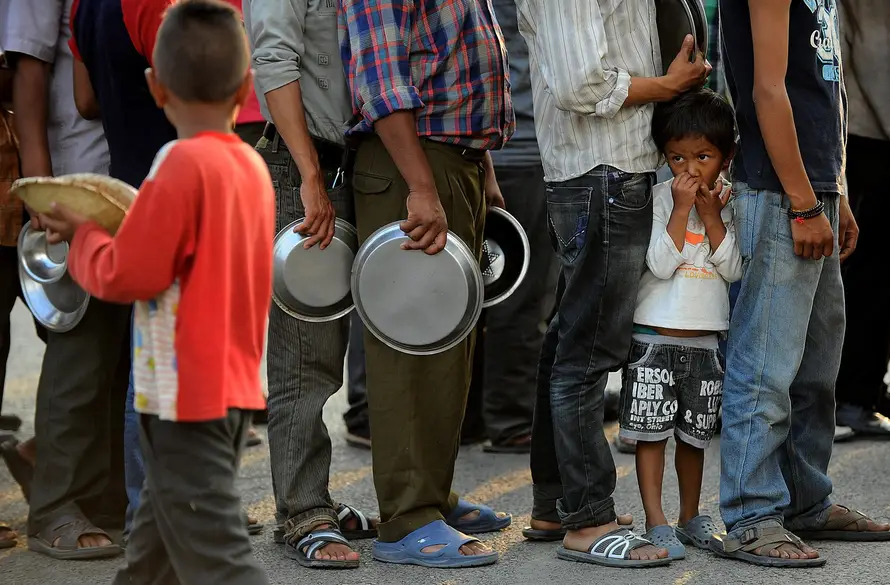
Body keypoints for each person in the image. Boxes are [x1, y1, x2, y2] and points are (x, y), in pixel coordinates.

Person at [39, 3, 273, 583]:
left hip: (182, 396)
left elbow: (128, 274)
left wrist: (86, 236)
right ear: (246, 87)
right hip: (231, 386)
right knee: (154, 546)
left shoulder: (176, 164)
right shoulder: (250, 168)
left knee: (217, 554)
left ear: (155, 86)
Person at [515, 0, 709, 568]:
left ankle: (557, 505)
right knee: (587, 353)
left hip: (607, 171)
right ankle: (588, 520)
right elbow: (581, 83)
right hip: (601, 171)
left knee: (569, 340)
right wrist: (669, 86)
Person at [714, 0, 890, 567]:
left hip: (815, 187)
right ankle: (751, 516)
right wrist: (802, 201)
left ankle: (804, 501)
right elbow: (768, 89)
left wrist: (834, 191)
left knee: (816, 367)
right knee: (766, 361)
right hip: (778, 192)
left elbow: (825, 94)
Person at [340, 0, 514, 569]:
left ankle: (433, 498)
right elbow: (381, 82)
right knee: (409, 350)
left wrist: (482, 166)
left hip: (452, 160)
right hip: (410, 165)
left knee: (450, 345)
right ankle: (407, 518)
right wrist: (420, 185)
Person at [243, 0, 380, 568]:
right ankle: (303, 511)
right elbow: (273, 60)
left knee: (377, 337)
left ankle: (326, 499)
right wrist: (309, 175)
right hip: (308, 164)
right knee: (306, 350)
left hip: (367, 159)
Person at [0, 0, 129, 560]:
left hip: (122, 173)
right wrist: (41, 186)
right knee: (80, 351)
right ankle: (56, 505)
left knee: (118, 356)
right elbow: (28, 72)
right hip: (76, 176)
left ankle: (107, 497)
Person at [618, 89, 740, 560]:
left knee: (695, 438)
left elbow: (734, 269)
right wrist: (682, 210)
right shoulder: (657, 199)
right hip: (653, 338)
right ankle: (656, 521)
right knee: (651, 437)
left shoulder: (730, 203)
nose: (689, 169)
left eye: (703, 157)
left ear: (726, 157)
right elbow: (659, 264)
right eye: (677, 158)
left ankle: (691, 517)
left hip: (706, 342)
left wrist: (711, 217)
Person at [834, 0, 890, 439]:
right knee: (869, 270)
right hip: (867, 132)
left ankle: (866, 387)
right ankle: (855, 393)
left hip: (867, 128)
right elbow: (869, 56)